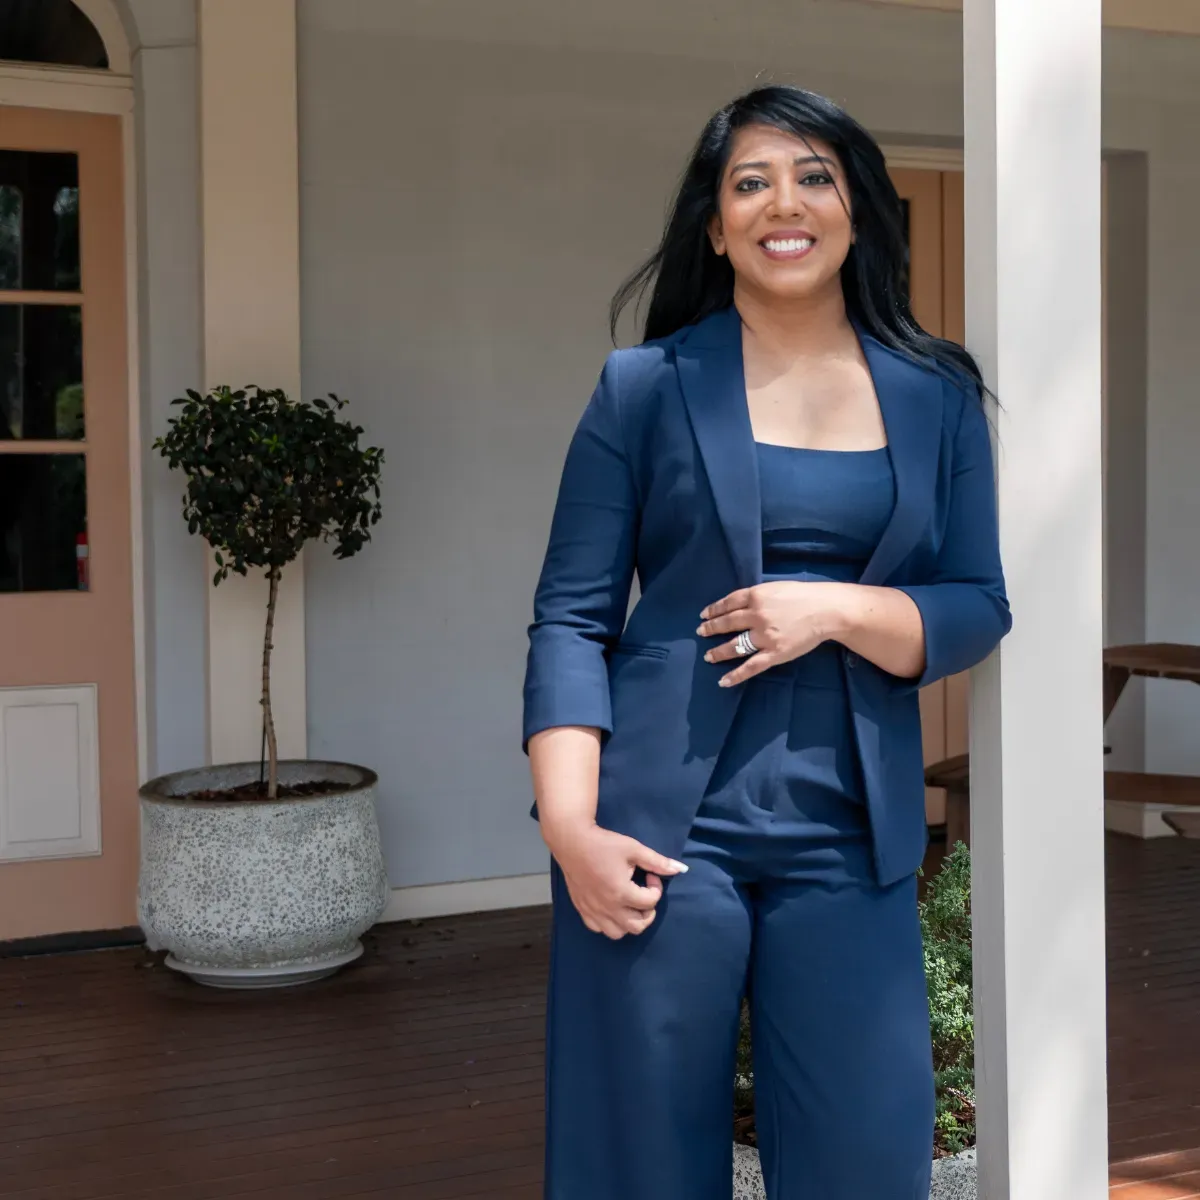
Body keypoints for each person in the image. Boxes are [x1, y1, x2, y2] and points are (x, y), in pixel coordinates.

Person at [521, 84, 1010, 1200]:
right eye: (750, 182)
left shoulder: (939, 395)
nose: (781, 204)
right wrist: (569, 827)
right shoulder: (642, 389)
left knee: (866, 1160)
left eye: (813, 177)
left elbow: (976, 601)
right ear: (714, 225)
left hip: (851, 835)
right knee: (637, 1163)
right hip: (655, 834)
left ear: (857, 211)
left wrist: (834, 608)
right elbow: (571, 616)